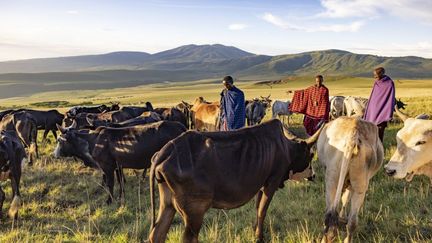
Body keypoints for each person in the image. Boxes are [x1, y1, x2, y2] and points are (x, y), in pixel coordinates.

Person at [363, 67, 395, 142]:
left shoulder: (389, 83)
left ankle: (380, 150)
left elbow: (390, 98)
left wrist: (389, 112)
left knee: (380, 133)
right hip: (373, 111)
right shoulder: (376, 83)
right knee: (371, 132)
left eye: (376, 75)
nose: (375, 77)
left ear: (382, 73)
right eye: (374, 75)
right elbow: (373, 97)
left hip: (383, 112)